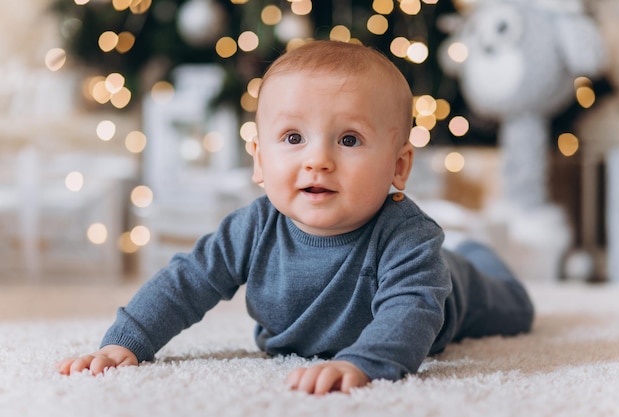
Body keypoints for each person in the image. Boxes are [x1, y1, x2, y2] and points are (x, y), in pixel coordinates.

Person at [56, 40, 534, 395]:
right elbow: (187, 281)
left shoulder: (407, 237)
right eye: (292, 139)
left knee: (516, 309)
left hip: (454, 291)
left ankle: (477, 257)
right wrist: (128, 341)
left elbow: (411, 311)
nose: (318, 160)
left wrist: (366, 362)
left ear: (398, 166)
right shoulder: (252, 228)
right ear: (259, 160)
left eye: (348, 140)